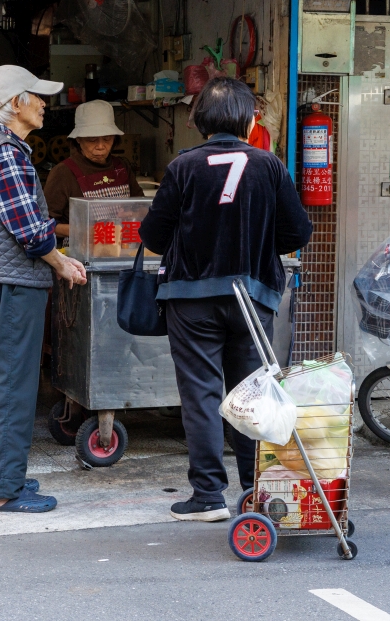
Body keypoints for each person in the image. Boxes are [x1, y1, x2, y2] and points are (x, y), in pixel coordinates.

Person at [139, 76, 313, 522]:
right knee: (251, 394)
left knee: (200, 394)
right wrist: (257, 241)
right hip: (252, 298)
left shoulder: (183, 166)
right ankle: (255, 491)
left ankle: (207, 496)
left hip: (191, 298)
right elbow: (297, 233)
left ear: (199, 121)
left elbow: (153, 237)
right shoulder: (270, 166)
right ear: (249, 120)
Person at [0, 65, 87, 514]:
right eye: (37, 96)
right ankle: (5, 491)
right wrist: (62, 263)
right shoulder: (7, 153)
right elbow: (29, 231)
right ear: (16, 103)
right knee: (13, 387)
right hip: (12, 285)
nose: (45, 104)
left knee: (0, 384)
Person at [44, 99, 144, 239]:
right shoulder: (63, 172)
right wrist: (84, 231)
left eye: (107, 139)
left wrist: (132, 214)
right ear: (78, 139)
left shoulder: (121, 167)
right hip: (80, 249)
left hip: (122, 246)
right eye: (92, 139)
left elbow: (142, 207)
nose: (100, 146)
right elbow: (46, 225)